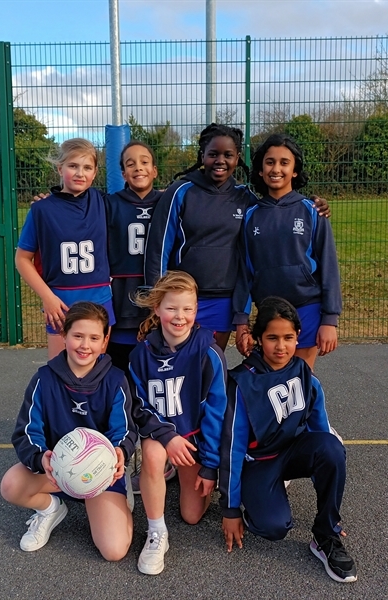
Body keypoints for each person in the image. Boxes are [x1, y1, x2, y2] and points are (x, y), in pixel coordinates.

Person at [144, 124, 331, 351]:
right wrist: (156, 299)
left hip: (223, 299)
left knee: (209, 364)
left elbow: (276, 208)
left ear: (237, 158)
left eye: (228, 155)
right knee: (178, 361)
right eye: (213, 154)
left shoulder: (245, 198)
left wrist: (312, 204)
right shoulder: (180, 191)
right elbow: (158, 248)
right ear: (202, 155)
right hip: (182, 299)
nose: (220, 160)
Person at [219, 296, 357, 583]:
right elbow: (232, 448)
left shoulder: (304, 373)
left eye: (288, 337)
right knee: (274, 528)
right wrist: (230, 508)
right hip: (258, 462)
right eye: (272, 337)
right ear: (258, 339)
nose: (280, 346)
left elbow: (320, 430)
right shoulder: (242, 383)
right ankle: (255, 502)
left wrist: (326, 490)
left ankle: (325, 534)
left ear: (298, 338)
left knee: (332, 446)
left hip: (292, 452)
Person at [0, 301, 137, 561]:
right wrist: (41, 458)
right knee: (11, 485)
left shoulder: (116, 379)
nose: (85, 345)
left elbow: (125, 430)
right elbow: (26, 432)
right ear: (64, 335)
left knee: (114, 550)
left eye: (94, 338)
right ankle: (50, 509)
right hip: (58, 472)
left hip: (99, 475)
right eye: (78, 336)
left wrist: (120, 453)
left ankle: (119, 493)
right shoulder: (44, 379)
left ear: (105, 341)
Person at [128, 271, 228, 575]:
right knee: (154, 455)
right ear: (157, 309)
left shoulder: (210, 353)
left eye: (188, 309)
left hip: (194, 442)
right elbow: (138, 407)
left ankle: (199, 474)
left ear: (196, 311)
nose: (179, 316)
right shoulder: (140, 355)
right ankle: (157, 531)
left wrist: (210, 465)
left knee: (192, 515)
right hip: (162, 437)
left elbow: (216, 413)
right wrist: (166, 436)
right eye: (171, 308)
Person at [234, 133, 341, 371]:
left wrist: (330, 320)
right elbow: (244, 272)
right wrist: (241, 321)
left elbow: (329, 268)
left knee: (301, 380)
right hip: (269, 312)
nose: (276, 169)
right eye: (270, 162)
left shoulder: (312, 211)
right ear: (261, 170)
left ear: (295, 170)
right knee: (272, 382)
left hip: (307, 308)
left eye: (285, 162)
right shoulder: (250, 215)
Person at [15, 138, 113, 359]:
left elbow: (137, 201)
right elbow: (22, 259)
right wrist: (47, 297)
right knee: (60, 372)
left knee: (96, 370)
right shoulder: (42, 210)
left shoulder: (103, 202)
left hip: (99, 298)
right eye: (73, 166)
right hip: (60, 302)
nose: (80, 173)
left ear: (95, 172)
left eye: (87, 167)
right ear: (60, 168)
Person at [105, 141, 163, 375]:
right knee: (120, 366)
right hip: (123, 294)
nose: (138, 167)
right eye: (131, 164)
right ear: (123, 174)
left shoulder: (168, 201)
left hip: (158, 290)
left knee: (156, 363)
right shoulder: (109, 203)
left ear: (154, 170)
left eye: (144, 162)